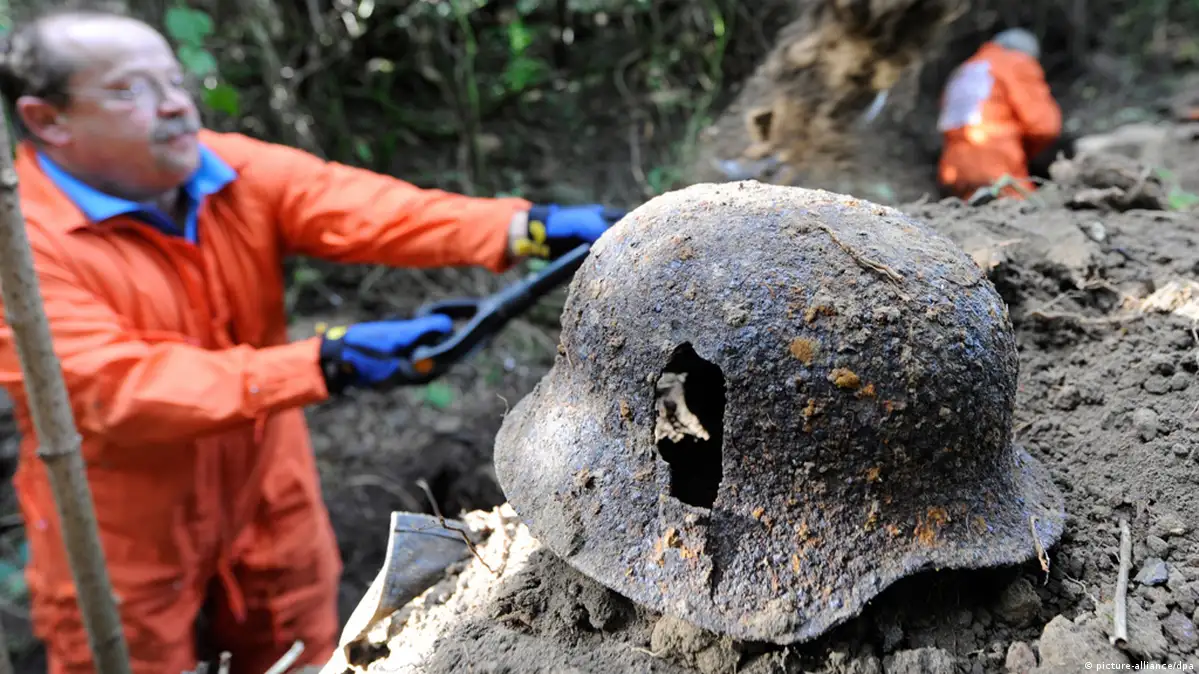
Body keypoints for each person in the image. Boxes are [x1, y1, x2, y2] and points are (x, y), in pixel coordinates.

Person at [0, 8, 624, 674]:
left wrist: (523, 229)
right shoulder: (21, 245)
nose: (176, 105)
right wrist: (324, 362)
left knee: (298, 648)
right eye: (129, 90)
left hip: (268, 478)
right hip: (121, 519)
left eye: (173, 81)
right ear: (48, 120)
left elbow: (359, 206)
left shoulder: (222, 167)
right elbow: (110, 386)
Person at [936, 28, 1063, 201]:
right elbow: (1044, 126)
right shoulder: (1015, 63)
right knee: (1026, 208)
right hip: (998, 162)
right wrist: (1031, 152)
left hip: (955, 169)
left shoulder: (966, 69)